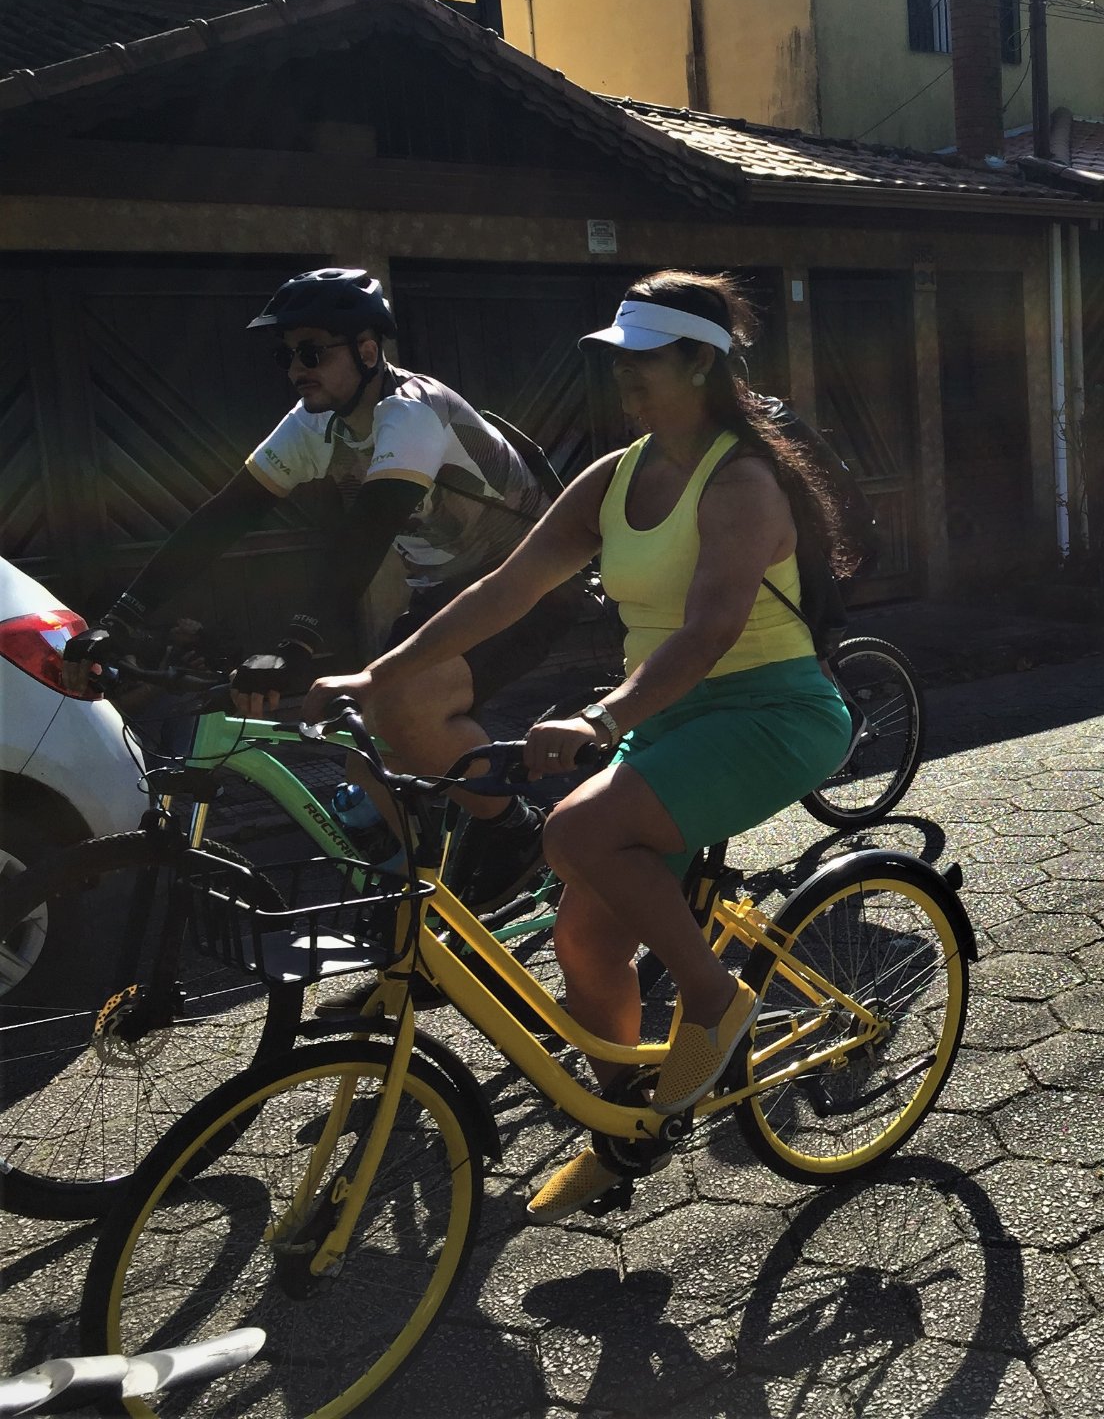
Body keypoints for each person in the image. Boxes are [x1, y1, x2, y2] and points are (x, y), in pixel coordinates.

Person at [309, 270, 853, 1224]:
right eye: (617, 360)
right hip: (674, 717)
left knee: (577, 832)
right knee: (583, 940)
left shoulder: (744, 481)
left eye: (645, 359)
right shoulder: (615, 476)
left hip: (772, 711)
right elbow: (501, 594)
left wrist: (602, 720)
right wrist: (381, 675)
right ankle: (627, 1129)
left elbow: (708, 631)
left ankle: (716, 1000)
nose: (625, 378)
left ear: (700, 362)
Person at [69, 268, 563, 906]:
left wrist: (297, 643)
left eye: (311, 352)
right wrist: (122, 616)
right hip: (444, 592)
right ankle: (431, 918)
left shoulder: (412, 413)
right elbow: (226, 516)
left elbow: (365, 533)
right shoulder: (315, 422)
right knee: (370, 756)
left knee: (403, 707)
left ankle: (516, 832)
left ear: (366, 350)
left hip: (529, 586)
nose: (296, 368)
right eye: (286, 354)